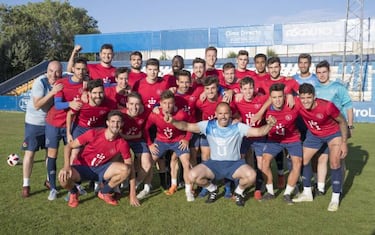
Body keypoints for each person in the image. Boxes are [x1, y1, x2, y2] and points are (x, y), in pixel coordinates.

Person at [164, 102, 277, 206]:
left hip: (234, 164)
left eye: (226, 113)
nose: (223, 116)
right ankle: (213, 189)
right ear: (216, 114)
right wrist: (173, 121)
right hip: (214, 164)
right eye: (220, 113)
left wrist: (269, 125)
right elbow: (187, 126)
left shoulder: (238, 126)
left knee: (252, 175)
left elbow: (259, 132)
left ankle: (238, 192)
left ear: (231, 114)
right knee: (192, 175)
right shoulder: (208, 125)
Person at [58, 110, 139, 208]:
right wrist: (67, 166)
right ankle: (74, 192)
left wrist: (132, 194)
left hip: (101, 170)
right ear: (107, 123)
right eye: (113, 121)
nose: (115, 124)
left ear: (122, 124)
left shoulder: (122, 143)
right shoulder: (93, 133)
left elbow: (131, 168)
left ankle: (104, 192)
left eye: (118, 122)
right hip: (82, 168)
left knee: (126, 169)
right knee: (62, 178)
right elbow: (68, 146)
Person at [292, 83, 348, 212]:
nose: (305, 101)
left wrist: (344, 142)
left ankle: (335, 198)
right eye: (303, 98)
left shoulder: (327, 106)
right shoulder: (297, 102)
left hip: (333, 134)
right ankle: (307, 193)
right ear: (299, 97)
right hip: (314, 135)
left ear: (314, 97)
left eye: (309, 97)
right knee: (302, 160)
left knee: (334, 162)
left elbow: (342, 121)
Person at [44, 57, 87, 200]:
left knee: (74, 155)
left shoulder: (86, 85)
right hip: (54, 123)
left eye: (83, 69)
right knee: (53, 155)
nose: (80, 72)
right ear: (73, 69)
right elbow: (57, 104)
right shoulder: (61, 83)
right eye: (78, 68)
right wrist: (70, 103)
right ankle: (53, 188)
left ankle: (74, 185)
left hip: (72, 125)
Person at [21, 61, 63, 198]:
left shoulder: (63, 79)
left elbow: (73, 71)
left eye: (57, 71)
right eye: (51, 71)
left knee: (49, 154)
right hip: (34, 122)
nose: (54, 74)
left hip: (50, 123)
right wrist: (53, 92)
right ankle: (26, 185)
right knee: (30, 153)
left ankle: (49, 180)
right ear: (47, 71)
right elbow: (37, 104)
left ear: (61, 72)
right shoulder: (40, 82)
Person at [143, 90, 194, 201]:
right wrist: (150, 144)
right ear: (160, 104)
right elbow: (145, 129)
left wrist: (186, 139)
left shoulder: (181, 114)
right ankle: (146, 187)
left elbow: (190, 125)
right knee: (150, 161)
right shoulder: (155, 114)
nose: (167, 106)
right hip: (161, 141)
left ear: (174, 103)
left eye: (170, 103)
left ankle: (188, 190)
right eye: (165, 103)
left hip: (178, 141)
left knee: (186, 162)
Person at [313, 60, 354, 195]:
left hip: (338, 128)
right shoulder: (315, 89)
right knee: (322, 157)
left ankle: (339, 186)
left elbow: (348, 106)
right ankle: (320, 188)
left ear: (329, 72)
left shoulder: (338, 87)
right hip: (322, 129)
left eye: (324, 72)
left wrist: (350, 125)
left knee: (339, 159)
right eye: (319, 73)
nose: (321, 75)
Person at [260, 83, 302, 204]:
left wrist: (290, 94)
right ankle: (270, 192)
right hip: (274, 140)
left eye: (280, 97)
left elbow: (304, 97)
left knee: (297, 163)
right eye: (274, 97)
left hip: (292, 139)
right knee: (265, 161)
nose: (277, 100)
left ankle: (288, 193)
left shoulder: (293, 104)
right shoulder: (266, 109)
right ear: (270, 98)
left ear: (284, 96)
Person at [233, 77, 268, 200]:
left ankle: (258, 188)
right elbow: (229, 107)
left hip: (259, 135)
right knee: (239, 159)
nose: (248, 91)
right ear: (241, 90)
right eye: (245, 89)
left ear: (254, 89)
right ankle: (239, 188)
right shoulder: (237, 100)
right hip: (245, 136)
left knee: (261, 162)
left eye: (250, 88)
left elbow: (271, 99)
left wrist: (261, 112)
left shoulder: (260, 98)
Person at [119, 92, 153, 200]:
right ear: (127, 105)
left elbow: (158, 108)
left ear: (141, 105)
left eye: (137, 104)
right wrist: (135, 135)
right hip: (123, 141)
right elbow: (118, 135)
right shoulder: (120, 115)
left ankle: (135, 184)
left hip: (139, 141)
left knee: (147, 164)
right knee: (119, 162)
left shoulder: (146, 111)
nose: (134, 107)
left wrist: (156, 108)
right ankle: (116, 188)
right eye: (132, 104)